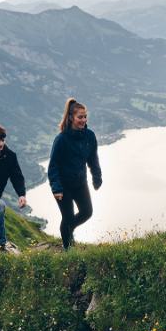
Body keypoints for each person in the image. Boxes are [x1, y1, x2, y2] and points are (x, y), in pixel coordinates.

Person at [48, 98, 102, 251]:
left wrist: (97, 177)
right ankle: (68, 250)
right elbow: (53, 166)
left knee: (87, 212)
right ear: (71, 117)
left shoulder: (90, 136)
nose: (83, 120)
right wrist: (56, 188)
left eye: (85, 117)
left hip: (80, 183)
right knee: (68, 218)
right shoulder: (61, 139)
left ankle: (67, 230)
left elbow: (93, 158)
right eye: (80, 117)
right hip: (63, 186)